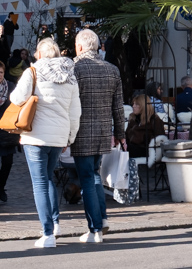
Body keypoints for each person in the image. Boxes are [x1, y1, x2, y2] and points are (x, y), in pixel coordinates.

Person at [9, 37, 81, 249]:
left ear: (39, 54)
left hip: (36, 135)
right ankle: (55, 223)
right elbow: (75, 112)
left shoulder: (33, 72)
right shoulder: (70, 76)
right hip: (58, 136)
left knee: (40, 183)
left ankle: (48, 233)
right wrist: (70, 137)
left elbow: (16, 98)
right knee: (48, 179)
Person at [71, 28, 126, 244]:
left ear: (81, 46)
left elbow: (70, 104)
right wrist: (120, 134)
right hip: (103, 132)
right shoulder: (112, 70)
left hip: (82, 131)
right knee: (94, 176)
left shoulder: (75, 68)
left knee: (88, 178)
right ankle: (101, 219)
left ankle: (95, 228)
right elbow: (118, 108)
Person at [0, 60, 16, 205]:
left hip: (7, 130)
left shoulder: (11, 87)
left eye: (1, 72)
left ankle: (1, 186)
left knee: (8, 162)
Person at [126, 93, 165, 157]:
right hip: (131, 148)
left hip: (147, 150)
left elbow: (160, 139)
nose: (133, 106)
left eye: (136, 104)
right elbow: (126, 135)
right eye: (133, 104)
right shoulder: (133, 120)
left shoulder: (154, 120)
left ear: (143, 106)